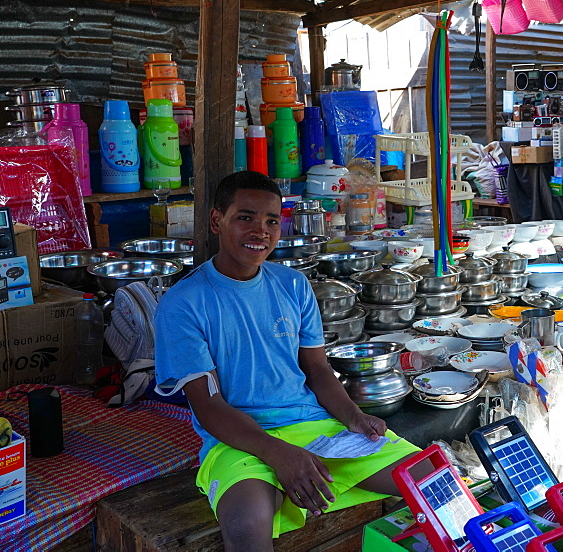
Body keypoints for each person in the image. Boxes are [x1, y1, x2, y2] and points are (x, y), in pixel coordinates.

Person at [153, 171, 421, 550]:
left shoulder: (293, 285)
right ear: (217, 221)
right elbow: (209, 407)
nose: (260, 231)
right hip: (237, 439)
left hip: (313, 427)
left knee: (433, 481)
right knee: (248, 525)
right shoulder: (183, 303)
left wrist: (352, 416)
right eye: (245, 217)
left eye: (271, 221)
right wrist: (280, 455)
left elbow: (317, 370)